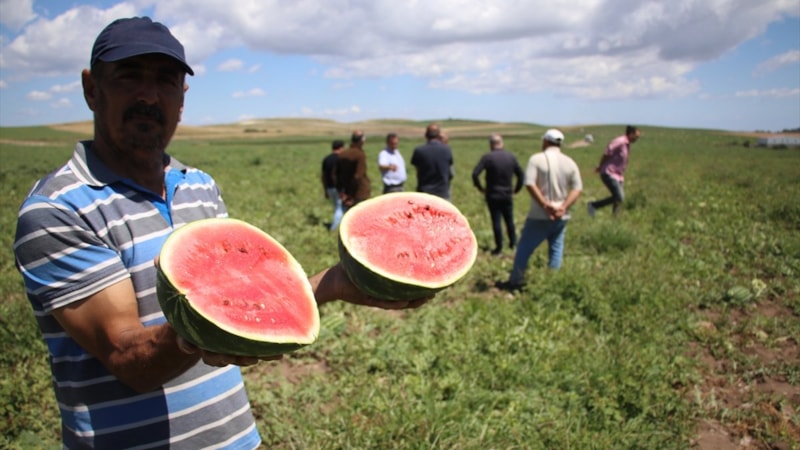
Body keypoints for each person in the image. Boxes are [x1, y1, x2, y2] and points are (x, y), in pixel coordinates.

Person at [12, 17, 427, 449]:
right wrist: (207, 329)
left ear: (182, 98)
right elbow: (130, 358)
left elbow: (242, 299)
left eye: (165, 81)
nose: (149, 95)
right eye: (128, 77)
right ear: (92, 89)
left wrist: (330, 284)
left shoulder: (199, 186)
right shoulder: (57, 210)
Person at [498, 129, 583, 291]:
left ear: (545, 141)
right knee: (556, 249)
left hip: (539, 215)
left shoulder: (536, 159)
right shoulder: (570, 162)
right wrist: (563, 207)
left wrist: (545, 204)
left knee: (524, 248)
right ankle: (552, 284)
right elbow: (577, 188)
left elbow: (529, 183)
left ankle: (516, 281)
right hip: (561, 215)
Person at [472, 133, 525, 255]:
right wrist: (517, 189)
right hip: (507, 193)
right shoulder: (511, 157)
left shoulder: (487, 157)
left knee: (496, 221)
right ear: (502, 143)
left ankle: (499, 247)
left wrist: (480, 188)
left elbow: (475, 174)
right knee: (509, 220)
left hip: (492, 194)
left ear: (491, 144)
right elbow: (521, 174)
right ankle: (513, 244)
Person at [587, 125, 641, 217]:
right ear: (631, 134)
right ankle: (593, 205)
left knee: (618, 199)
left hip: (618, 175)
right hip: (609, 173)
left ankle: (615, 219)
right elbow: (607, 153)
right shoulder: (620, 141)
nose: (637, 139)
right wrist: (600, 166)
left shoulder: (627, 144)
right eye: (636, 136)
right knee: (619, 197)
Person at [410, 123, 453, 200]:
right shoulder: (447, 149)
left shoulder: (419, 150)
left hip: (424, 193)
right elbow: (449, 171)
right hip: (442, 193)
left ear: (426, 135)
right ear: (438, 135)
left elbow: (417, 170)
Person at [335, 130, 371, 208]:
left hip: (346, 191)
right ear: (362, 140)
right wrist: (352, 194)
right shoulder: (359, 154)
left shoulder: (342, 154)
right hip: (360, 192)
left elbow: (336, 174)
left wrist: (342, 192)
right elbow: (358, 176)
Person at [322, 139, 345, 229]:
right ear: (341, 147)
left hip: (329, 187)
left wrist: (325, 189)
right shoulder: (341, 159)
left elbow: (323, 176)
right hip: (338, 188)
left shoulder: (326, 159)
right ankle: (334, 228)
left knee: (336, 207)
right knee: (340, 208)